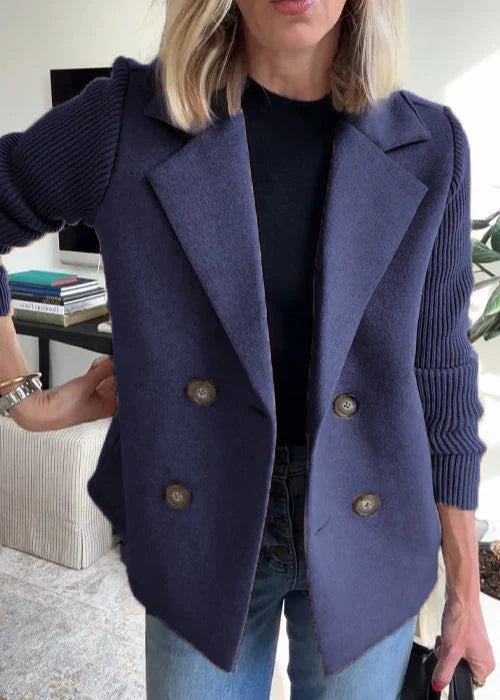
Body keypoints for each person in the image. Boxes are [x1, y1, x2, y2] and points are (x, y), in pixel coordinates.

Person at [0, 0, 495, 697]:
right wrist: (22, 397)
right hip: (200, 519)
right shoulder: (126, 122)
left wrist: (466, 593)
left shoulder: (431, 143)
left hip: (376, 519)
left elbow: (440, 369)